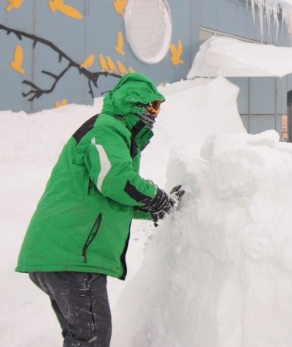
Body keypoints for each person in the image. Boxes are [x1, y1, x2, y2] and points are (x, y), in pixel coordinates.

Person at [16, 73, 182, 347]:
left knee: (81, 337)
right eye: (151, 106)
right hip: (70, 254)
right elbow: (115, 180)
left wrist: (156, 207)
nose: (155, 113)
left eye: (158, 107)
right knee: (92, 337)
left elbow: (109, 198)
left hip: (63, 254)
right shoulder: (106, 130)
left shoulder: (117, 136)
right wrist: (155, 197)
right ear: (133, 104)